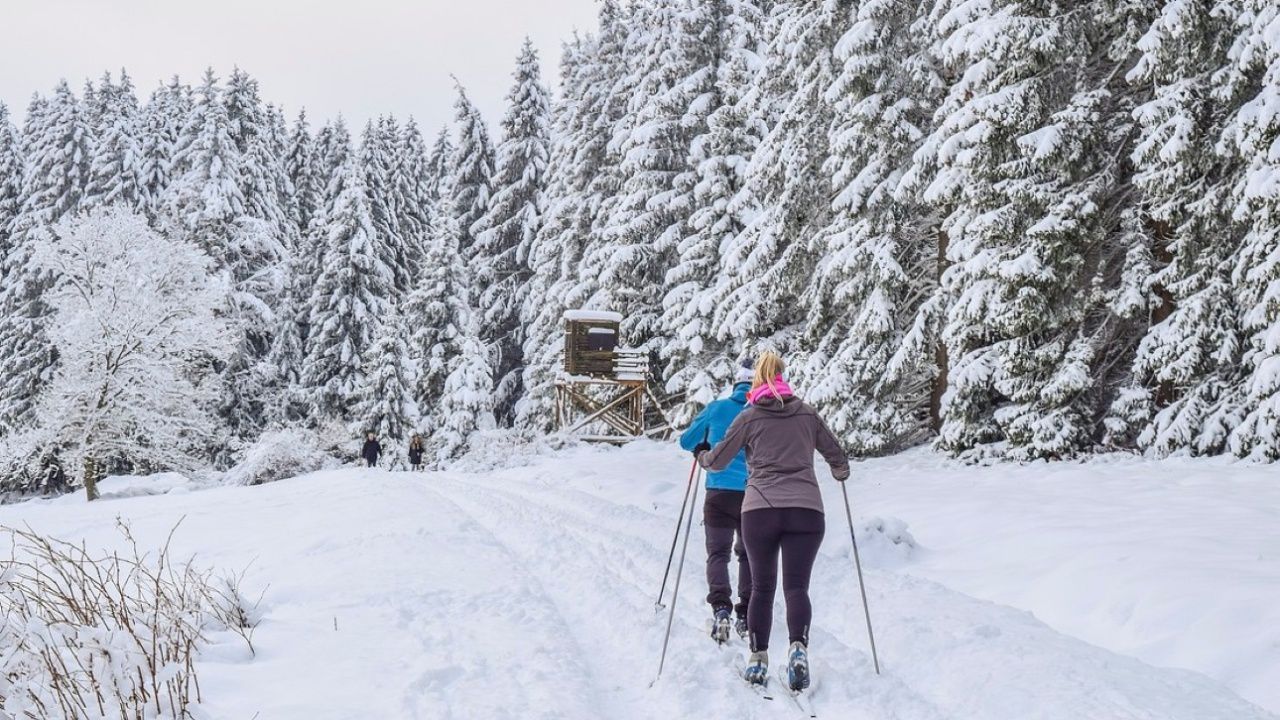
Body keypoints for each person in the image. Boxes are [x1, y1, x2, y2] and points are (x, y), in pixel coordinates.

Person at [695, 350, 849, 692]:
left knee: (763, 588)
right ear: (782, 376)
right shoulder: (808, 414)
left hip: (760, 510)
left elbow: (718, 460)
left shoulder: (749, 417)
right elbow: (837, 455)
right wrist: (840, 471)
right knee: (797, 588)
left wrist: (702, 457)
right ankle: (797, 648)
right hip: (807, 511)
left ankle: (758, 659)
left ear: (757, 381)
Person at [680, 358, 755, 645]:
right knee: (748, 554)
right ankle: (745, 613)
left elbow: (687, 441)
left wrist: (702, 446)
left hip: (719, 492)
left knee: (718, 554)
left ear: (735, 384)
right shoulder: (760, 412)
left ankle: (721, 607)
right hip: (753, 494)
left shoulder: (717, 408)